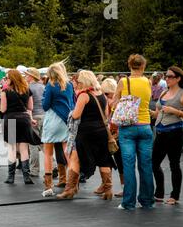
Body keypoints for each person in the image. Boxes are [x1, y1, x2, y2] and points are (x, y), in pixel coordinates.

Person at [57, 71, 115, 199]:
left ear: (83, 81)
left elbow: (76, 115)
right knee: (104, 160)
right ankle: (108, 190)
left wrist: (71, 113)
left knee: (74, 159)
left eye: (78, 82)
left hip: (86, 133)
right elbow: (106, 115)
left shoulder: (84, 95)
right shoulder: (101, 95)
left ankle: (70, 189)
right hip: (101, 132)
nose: (76, 84)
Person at [114, 54, 154, 210]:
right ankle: (147, 200)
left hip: (128, 126)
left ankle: (128, 202)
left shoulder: (124, 82)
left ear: (129, 65)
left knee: (129, 165)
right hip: (145, 125)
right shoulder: (148, 81)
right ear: (143, 66)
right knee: (146, 165)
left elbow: (115, 102)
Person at [151, 66, 183, 205]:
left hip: (175, 132)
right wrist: (152, 113)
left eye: (170, 76)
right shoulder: (163, 92)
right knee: (154, 163)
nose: (167, 78)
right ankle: (159, 192)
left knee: (174, 164)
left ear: (178, 78)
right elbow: (158, 111)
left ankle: (175, 195)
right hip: (160, 131)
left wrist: (175, 111)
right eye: (166, 76)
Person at [41, 61, 75, 196]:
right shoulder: (70, 85)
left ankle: (48, 186)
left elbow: (45, 105)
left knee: (48, 153)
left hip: (52, 120)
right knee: (68, 152)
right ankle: (72, 183)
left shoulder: (50, 85)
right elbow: (73, 102)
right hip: (66, 120)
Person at [1, 69, 38, 184]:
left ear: (11, 78)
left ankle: (11, 177)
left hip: (11, 119)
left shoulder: (5, 91)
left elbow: (3, 109)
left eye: (7, 78)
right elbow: (30, 107)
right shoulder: (27, 89)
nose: (6, 80)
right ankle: (26, 176)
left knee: (12, 148)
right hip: (24, 120)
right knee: (24, 149)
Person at [100, 78, 124, 197]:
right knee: (105, 159)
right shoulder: (111, 103)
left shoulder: (118, 103)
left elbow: (121, 122)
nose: (106, 96)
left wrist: (116, 135)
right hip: (111, 134)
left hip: (117, 135)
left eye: (107, 94)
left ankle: (124, 187)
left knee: (120, 162)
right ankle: (105, 184)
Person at [25, 67, 45, 177]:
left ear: (32, 76)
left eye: (27, 75)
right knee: (44, 143)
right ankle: (54, 165)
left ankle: (34, 170)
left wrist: (29, 117)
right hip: (44, 116)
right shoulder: (43, 87)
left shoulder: (28, 88)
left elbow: (28, 106)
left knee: (33, 144)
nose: (25, 76)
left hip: (33, 116)